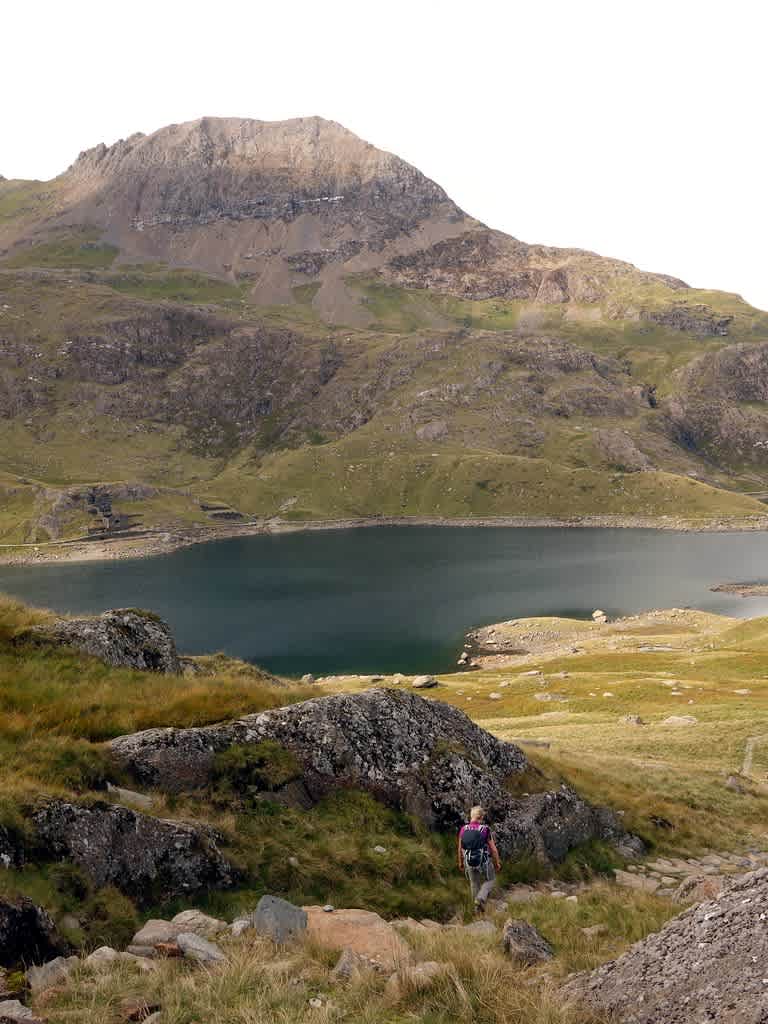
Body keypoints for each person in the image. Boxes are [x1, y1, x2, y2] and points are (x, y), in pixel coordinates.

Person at [457, 805, 502, 913]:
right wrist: (497, 863)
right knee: (491, 880)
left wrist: (461, 863)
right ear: (481, 818)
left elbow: (460, 849)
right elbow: (493, 850)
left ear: (471, 817)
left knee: (474, 883)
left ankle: (477, 910)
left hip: (469, 862)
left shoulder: (463, 829)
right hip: (483, 862)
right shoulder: (485, 829)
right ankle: (480, 898)